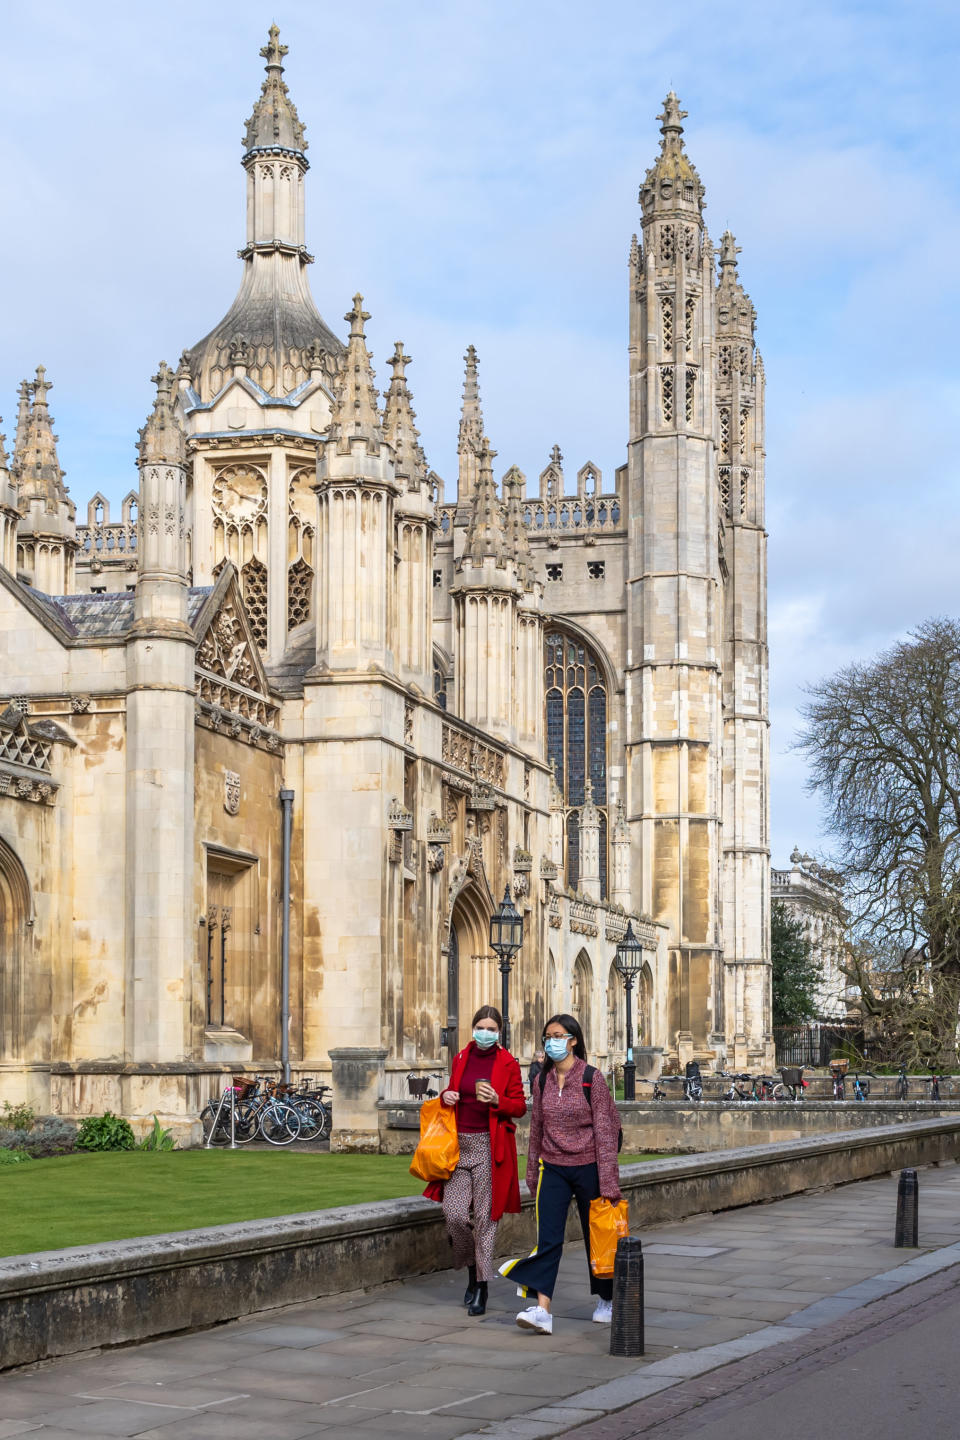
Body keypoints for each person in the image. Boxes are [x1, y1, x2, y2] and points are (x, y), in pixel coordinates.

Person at [499, 1013, 622, 1335]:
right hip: (552, 1167)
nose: (552, 1042)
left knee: (597, 1237)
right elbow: (537, 1126)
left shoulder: (591, 1078)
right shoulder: (542, 1080)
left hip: (589, 1167)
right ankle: (542, 1309)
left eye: (558, 1035)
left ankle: (607, 1299)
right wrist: (532, 1173)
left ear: (574, 1040)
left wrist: (608, 1181)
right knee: (547, 1239)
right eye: (548, 1036)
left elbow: (606, 1131)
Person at [423, 1005, 526, 1316]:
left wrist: (497, 1099)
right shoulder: (460, 1058)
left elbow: (519, 1106)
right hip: (458, 1146)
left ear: (499, 1033)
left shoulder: (507, 1063)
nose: (485, 1033)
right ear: (473, 1028)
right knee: (454, 1215)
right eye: (481, 1027)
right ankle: (472, 1271)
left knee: (485, 1220)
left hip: (488, 1147)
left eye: (492, 1029)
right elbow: (454, 1092)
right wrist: (446, 1096)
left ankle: (481, 1287)